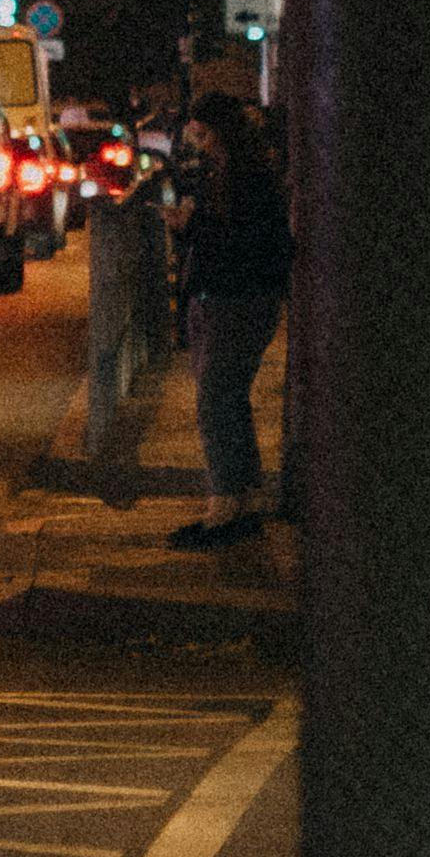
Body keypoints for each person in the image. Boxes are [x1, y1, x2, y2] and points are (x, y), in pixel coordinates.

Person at [167, 90, 290, 550]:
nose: (195, 140)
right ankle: (242, 498)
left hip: (233, 298)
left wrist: (189, 226)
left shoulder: (243, 179)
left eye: (200, 131)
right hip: (235, 296)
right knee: (228, 397)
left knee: (216, 400)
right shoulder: (242, 174)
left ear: (217, 132)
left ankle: (225, 504)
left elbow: (238, 240)